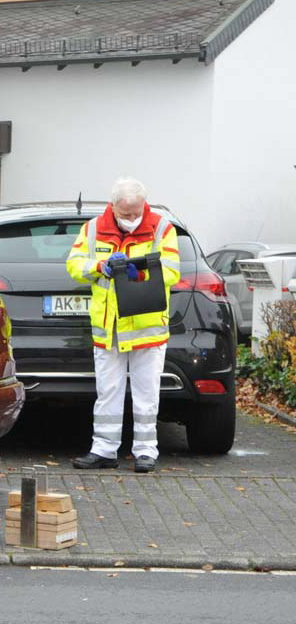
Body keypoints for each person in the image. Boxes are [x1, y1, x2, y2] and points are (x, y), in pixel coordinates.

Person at [66, 177, 181, 473]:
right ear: (113, 206)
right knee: (108, 393)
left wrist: (137, 272)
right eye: (125, 214)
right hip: (109, 329)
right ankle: (104, 450)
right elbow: (74, 264)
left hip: (146, 329)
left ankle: (145, 452)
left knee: (146, 394)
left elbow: (170, 271)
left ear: (144, 204)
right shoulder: (93, 229)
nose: (131, 219)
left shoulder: (161, 229)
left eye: (136, 212)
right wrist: (99, 267)